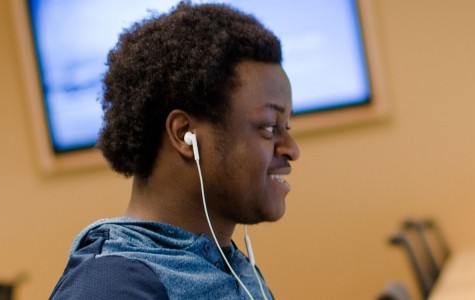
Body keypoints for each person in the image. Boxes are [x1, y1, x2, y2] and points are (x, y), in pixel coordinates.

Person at [50, 2, 300, 299]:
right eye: (270, 127)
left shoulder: (228, 266)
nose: (291, 149)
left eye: (288, 126)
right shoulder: (111, 288)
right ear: (184, 134)